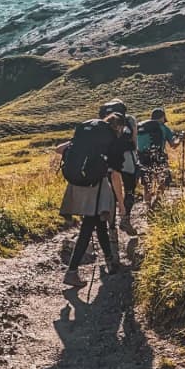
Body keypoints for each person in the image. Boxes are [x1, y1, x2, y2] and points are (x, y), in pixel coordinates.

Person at [58, 111, 128, 288]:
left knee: (98, 222)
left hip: (78, 182)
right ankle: (72, 271)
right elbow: (115, 175)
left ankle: (110, 261)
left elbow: (59, 149)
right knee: (88, 226)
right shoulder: (112, 140)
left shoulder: (87, 133)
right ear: (119, 127)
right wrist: (121, 203)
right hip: (95, 185)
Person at [99, 99, 141, 235]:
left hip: (110, 159)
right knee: (129, 190)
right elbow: (134, 140)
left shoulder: (104, 121)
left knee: (112, 193)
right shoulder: (130, 120)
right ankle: (125, 219)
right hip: (128, 158)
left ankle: (111, 227)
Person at [138, 107, 185, 210]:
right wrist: (181, 138)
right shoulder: (163, 128)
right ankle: (157, 201)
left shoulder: (142, 127)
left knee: (147, 184)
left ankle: (147, 206)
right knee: (164, 181)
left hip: (143, 158)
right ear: (162, 117)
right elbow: (173, 144)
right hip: (159, 158)